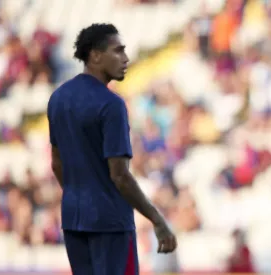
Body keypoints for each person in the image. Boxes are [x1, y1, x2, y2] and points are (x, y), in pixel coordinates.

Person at [47, 23, 177, 275]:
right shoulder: (111, 105)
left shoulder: (58, 98)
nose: (126, 58)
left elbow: (56, 163)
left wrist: (80, 197)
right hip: (111, 222)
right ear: (95, 55)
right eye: (118, 51)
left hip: (73, 219)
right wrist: (157, 220)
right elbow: (119, 175)